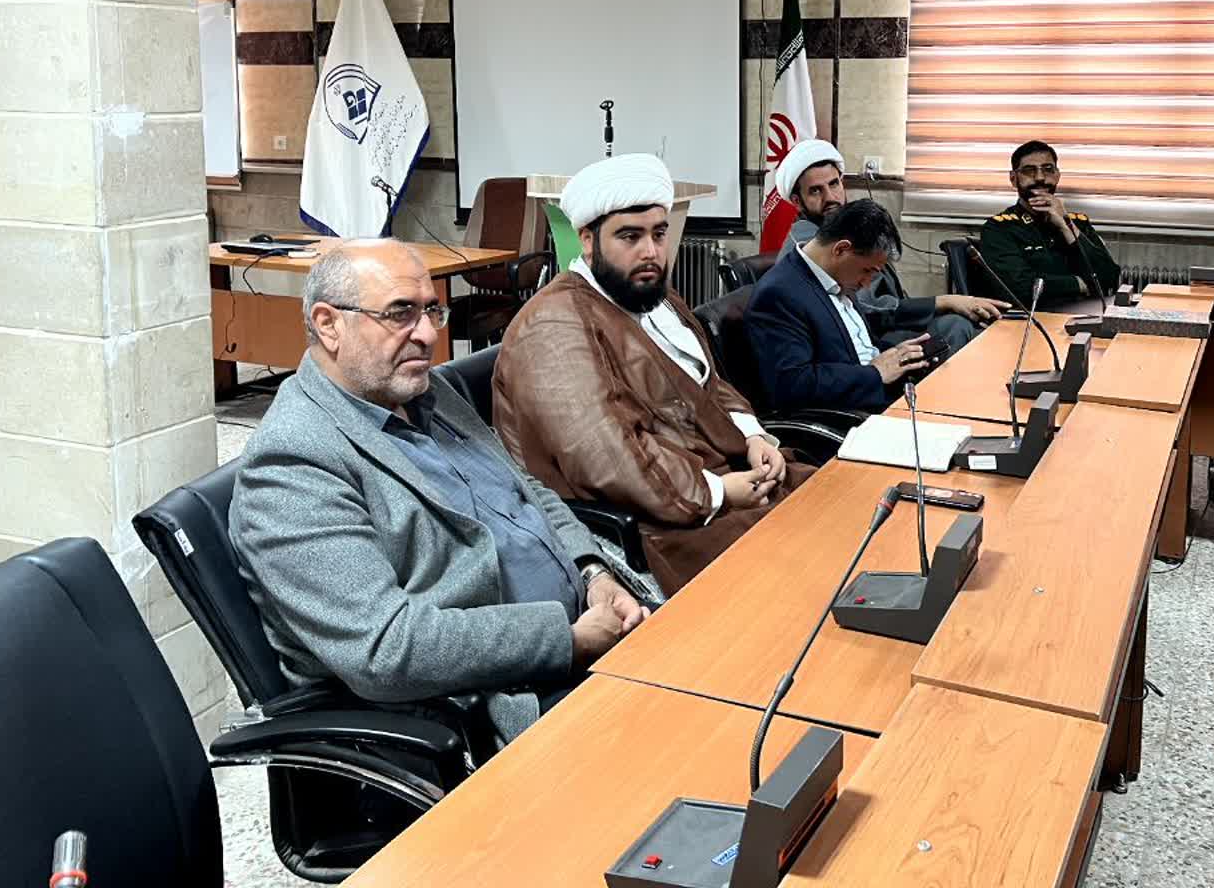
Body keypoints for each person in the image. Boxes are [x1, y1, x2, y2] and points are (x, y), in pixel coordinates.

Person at [230, 238, 652, 748]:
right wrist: (567, 641)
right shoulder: (293, 463)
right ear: (328, 324)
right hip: (508, 700)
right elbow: (386, 648)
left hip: (591, 631)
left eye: (432, 310)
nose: (429, 334)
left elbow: (526, 492)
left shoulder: (424, 391)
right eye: (400, 313)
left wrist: (592, 572)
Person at [495, 154, 812, 595]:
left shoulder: (655, 297)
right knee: (809, 572)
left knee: (845, 506)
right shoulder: (553, 325)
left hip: (728, 478)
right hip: (665, 522)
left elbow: (711, 384)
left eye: (658, 234)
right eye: (630, 236)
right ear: (587, 240)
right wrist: (719, 492)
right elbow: (606, 457)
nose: (651, 251)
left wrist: (755, 438)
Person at [776, 139, 1001, 353]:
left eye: (834, 184)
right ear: (797, 201)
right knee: (955, 327)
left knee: (975, 327)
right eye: (816, 191)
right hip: (863, 337)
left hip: (886, 324)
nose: (830, 197)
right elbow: (867, 307)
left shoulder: (843, 227)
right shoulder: (810, 244)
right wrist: (944, 302)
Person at [747, 198, 932, 415]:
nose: (867, 283)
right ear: (841, 249)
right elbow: (792, 385)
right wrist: (876, 373)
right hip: (851, 415)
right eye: (867, 271)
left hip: (881, 393)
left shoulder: (837, 276)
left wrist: (898, 354)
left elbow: (856, 348)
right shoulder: (778, 295)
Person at [978, 140, 1121, 311]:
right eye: (1029, 170)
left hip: (1086, 314)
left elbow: (1110, 278)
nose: (1040, 177)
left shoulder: (1078, 223)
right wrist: (1081, 284)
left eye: (1047, 169)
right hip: (1034, 318)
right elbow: (1020, 288)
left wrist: (1065, 225)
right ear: (1013, 179)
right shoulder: (999, 229)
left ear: (1057, 175)